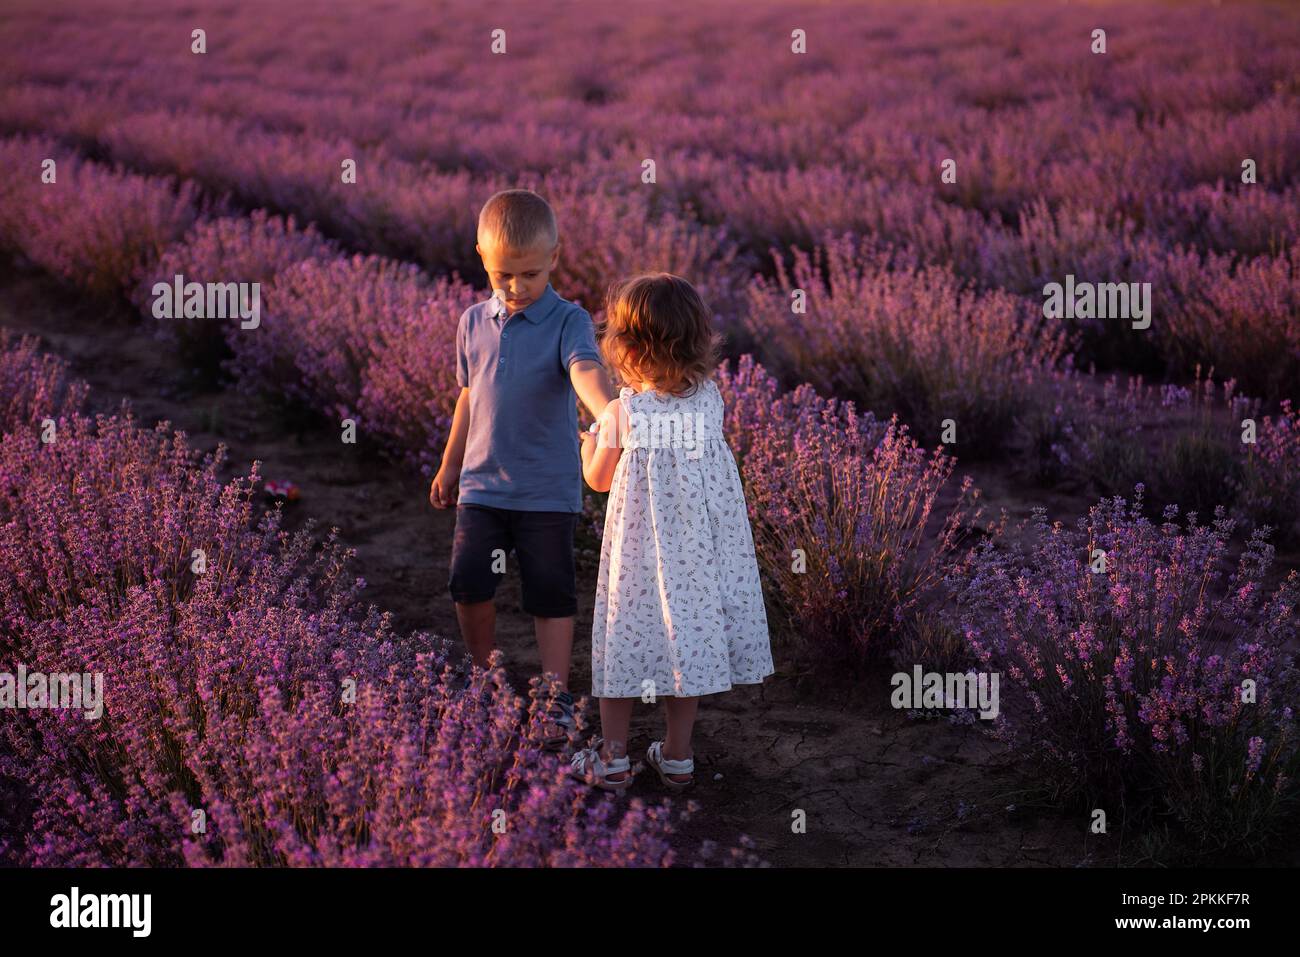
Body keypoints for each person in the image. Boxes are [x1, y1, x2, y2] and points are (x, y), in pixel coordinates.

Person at [571, 272, 774, 790]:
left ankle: (613, 759)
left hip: (639, 557)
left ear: (629, 349)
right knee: (686, 644)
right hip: (698, 556)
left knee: (622, 641)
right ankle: (678, 756)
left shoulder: (624, 410)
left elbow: (597, 480)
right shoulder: (710, 400)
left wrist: (587, 446)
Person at [430, 188, 615, 748]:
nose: (516, 288)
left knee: (550, 592)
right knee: (468, 583)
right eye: (504, 275)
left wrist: (608, 411)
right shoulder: (471, 321)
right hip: (482, 485)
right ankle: (487, 682)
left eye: (530, 275)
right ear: (482, 258)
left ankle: (554, 695)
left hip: (547, 490)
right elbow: (467, 398)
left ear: (555, 257)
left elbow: (583, 368)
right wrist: (449, 465)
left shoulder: (569, 320)